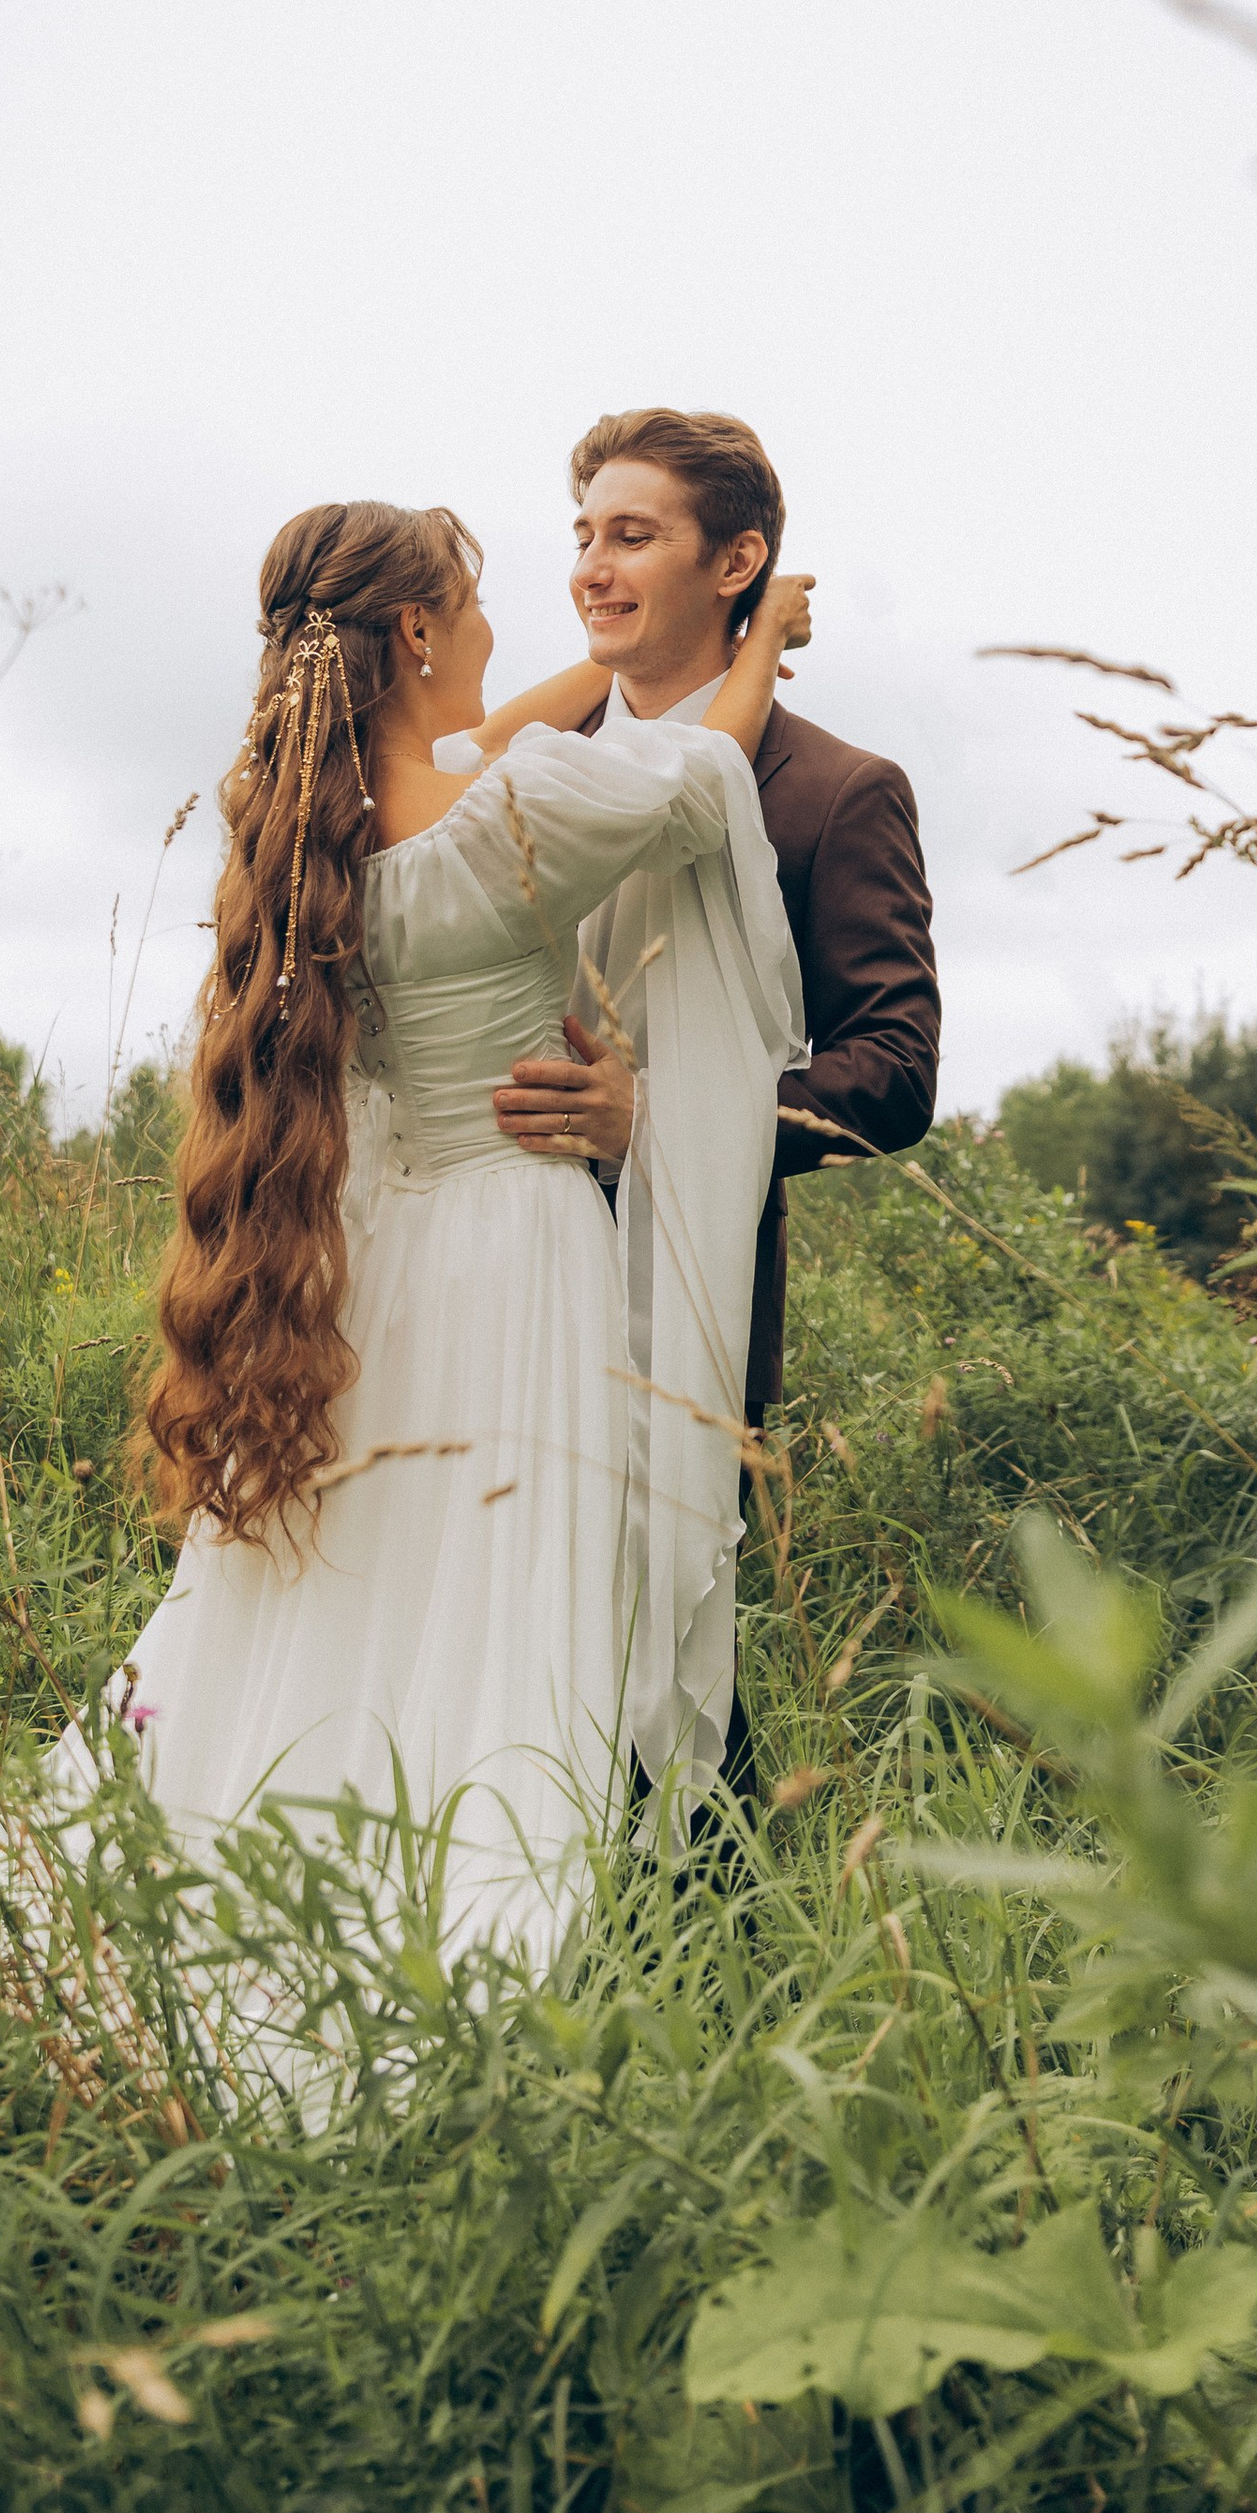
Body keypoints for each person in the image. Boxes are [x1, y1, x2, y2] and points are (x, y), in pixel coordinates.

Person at [78, 497, 808, 1961]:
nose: (499, 637)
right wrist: (764, 642)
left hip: (366, 1260)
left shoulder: (326, 831)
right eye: (471, 614)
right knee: (494, 1584)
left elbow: (532, 718)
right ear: (415, 636)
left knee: (364, 1573)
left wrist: (614, 654)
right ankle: (466, 1893)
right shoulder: (510, 822)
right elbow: (698, 773)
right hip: (507, 1250)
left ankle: (265, 1853)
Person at [490, 408, 941, 1797]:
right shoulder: (524, 753)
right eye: (582, 536)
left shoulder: (838, 793)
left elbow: (899, 1066)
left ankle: (710, 1933)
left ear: (735, 558)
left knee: (662, 1639)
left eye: (633, 535)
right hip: (487, 1255)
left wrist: (664, 1114)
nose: (592, 567)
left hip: (687, 1280)